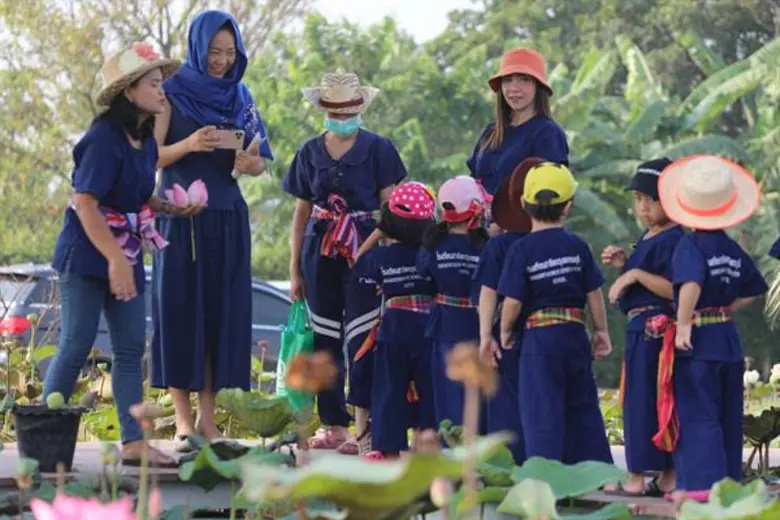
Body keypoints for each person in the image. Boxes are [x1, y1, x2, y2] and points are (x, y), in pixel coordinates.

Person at [45, 42, 182, 467]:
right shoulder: (102, 139)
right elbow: (85, 203)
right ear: (128, 91)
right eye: (154, 84)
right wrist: (116, 260)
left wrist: (167, 206)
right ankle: (45, 437)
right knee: (76, 344)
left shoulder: (145, 142)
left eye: (162, 84)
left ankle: (133, 443)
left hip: (122, 251)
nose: (163, 92)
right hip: (88, 255)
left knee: (128, 350)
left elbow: (135, 196)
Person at [150, 10, 274, 451]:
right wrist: (190, 144)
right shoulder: (168, 93)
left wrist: (248, 163)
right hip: (181, 217)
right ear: (197, 48)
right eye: (213, 52)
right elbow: (152, 155)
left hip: (228, 215)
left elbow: (261, 159)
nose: (221, 61)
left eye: (229, 52)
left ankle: (208, 422)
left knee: (220, 316)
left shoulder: (242, 96)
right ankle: (183, 422)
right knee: (181, 312)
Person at [283, 72, 407, 451]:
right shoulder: (309, 152)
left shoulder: (379, 149)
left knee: (363, 336)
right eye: (334, 110)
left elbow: (391, 212)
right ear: (323, 110)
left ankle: (364, 426)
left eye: (348, 109)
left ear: (360, 108)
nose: (341, 116)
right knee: (324, 337)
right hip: (319, 253)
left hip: (364, 252)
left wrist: (376, 254)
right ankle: (333, 423)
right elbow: (301, 213)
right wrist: (294, 269)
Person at [655, 155, 768, 500]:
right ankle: (730, 485)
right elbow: (755, 288)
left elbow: (690, 283)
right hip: (727, 340)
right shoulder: (732, 249)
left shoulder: (689, 245)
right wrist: (726, 307)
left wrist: (686, 323)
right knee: (727, 416)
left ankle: (703, 490)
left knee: (698, 414)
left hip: (700, 342)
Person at [497, 162, 614, 464]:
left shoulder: (521, 250)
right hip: (574, 333)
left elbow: (512, 301)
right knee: (583, 405)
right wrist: (601, 332)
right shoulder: (578, 246)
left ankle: (546, 480)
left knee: (541, 409)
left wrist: (505, 331)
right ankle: (596, 475)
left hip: (539, 340)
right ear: (568, 207)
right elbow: (594, 293)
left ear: (524, 204)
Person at [601, 159, 682, 496]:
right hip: (638, 333)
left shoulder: (678, 238)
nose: (644, 208)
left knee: (656, 403)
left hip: (658, 334)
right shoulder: (647, 237)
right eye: (638, 199)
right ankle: (657, 474)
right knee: (636, 403)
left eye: (652, 199)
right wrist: (625, 266)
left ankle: (649, 475)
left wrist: (634, 275)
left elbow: (678, 289)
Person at [353, 182, 437, 460]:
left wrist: (379, 232)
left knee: (389, 389)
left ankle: (387, 448)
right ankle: (429, 444)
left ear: (389, 223)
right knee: (429, 390)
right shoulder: (432, 255)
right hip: (429, 330)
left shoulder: (381, 257)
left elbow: (359, 263)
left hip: (394, 331)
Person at [473, 157, 543, 464]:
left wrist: (486, 336)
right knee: (544, 402)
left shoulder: (499, 245)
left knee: (506, 404)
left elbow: (485, 294)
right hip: (549, 333)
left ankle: (506, 469)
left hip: (509, 335)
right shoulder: (561, 241)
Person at [417, 176, 488, 428]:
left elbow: (423, 278)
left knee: (447, 396)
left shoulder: (432, 244)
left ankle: (450, 454)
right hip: (479, 328)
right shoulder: (485, 246)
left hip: (444, 327)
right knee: (479, 395)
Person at [467, 47, 569, 198]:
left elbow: (553, 196)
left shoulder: (548, 133)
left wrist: (506, 222)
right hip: (480, 221)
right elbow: (472, 184)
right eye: (507, 80)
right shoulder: (490, 133)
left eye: (524, 79)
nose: (514, 88)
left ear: (538, 86)